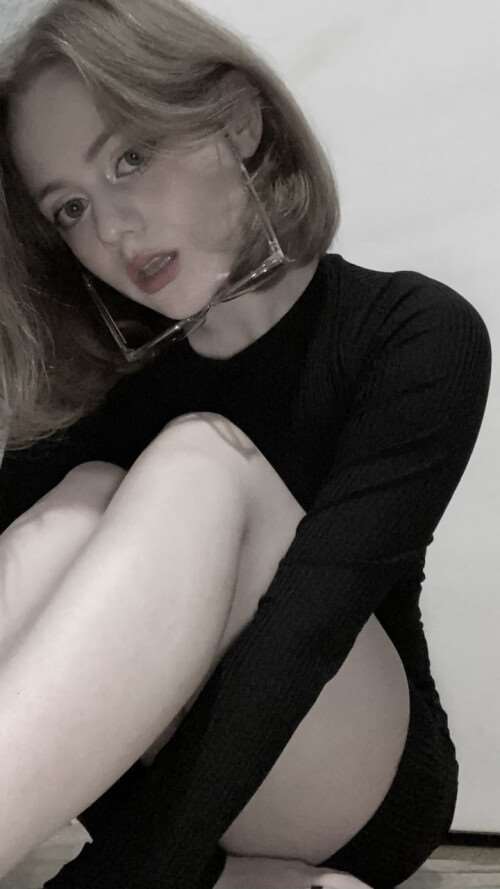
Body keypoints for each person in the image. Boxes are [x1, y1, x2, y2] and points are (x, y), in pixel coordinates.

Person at [0, 1, 492, 888]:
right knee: (72, 507)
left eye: (130, 158)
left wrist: (121, 874)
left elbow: (304, 636)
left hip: (356, 774)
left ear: (237, 120)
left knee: (197, 461)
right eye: (70, 207)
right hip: (174, 796)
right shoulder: (104, 390)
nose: (110, 230)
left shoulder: (412, 333)